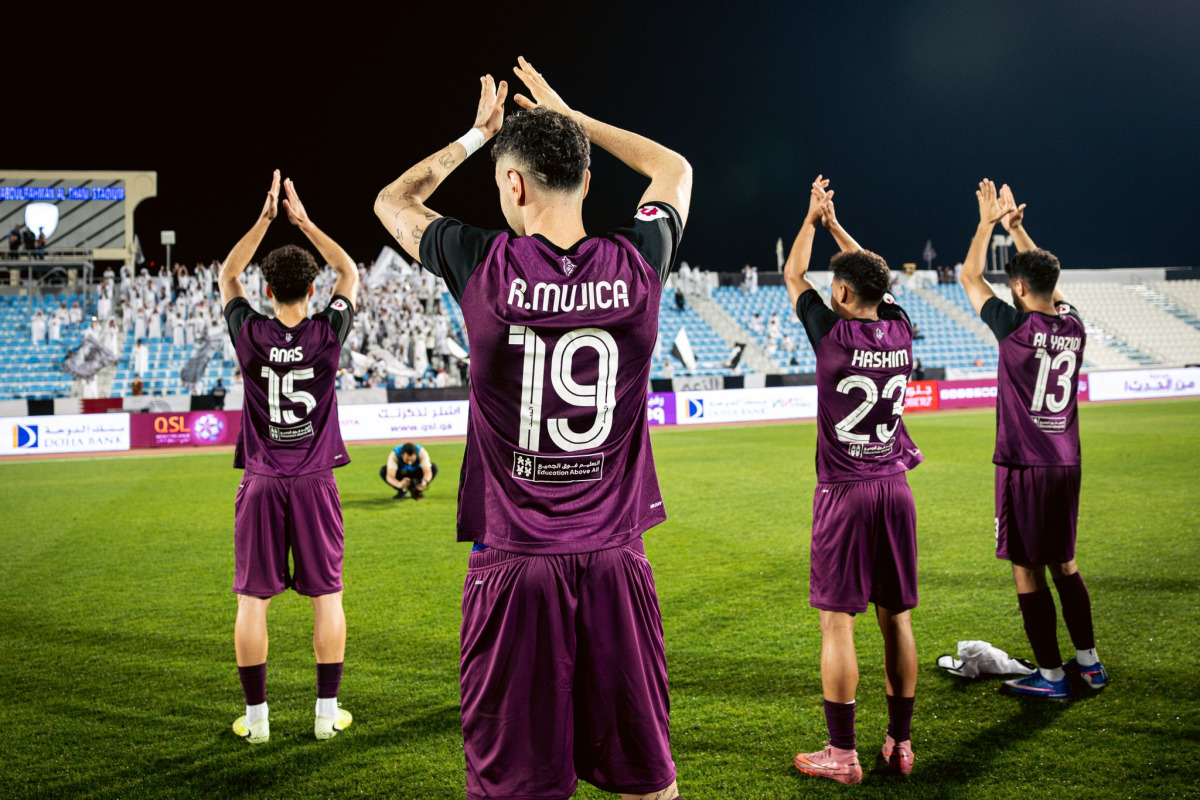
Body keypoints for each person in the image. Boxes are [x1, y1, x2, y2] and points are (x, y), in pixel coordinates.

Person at [375, 58, 691, 800]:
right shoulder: (639, 260)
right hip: (616, 560)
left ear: (512, 185)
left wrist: (474, 136)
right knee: (649, 782)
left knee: (513, 787)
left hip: (515, 566)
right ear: (584, 181)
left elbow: (393, 201)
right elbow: (672, 167)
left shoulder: (480, 263)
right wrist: (574, 121)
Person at [784, 177, 923, 784]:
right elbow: (876, 278)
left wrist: (814, 220)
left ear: (840, 292)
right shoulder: (900, 328)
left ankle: (842, 755)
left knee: (837, 622)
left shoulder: (831, 334)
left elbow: (794, 277)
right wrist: (842, 230)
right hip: (895, 488)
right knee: (897, 619)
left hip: (844, 492)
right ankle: (899, 743)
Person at [219, 170, 360, 745]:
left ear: (269, 292)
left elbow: (228, 273)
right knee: (328, 595)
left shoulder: (250, 333)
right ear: (312, 290)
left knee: (253, 601)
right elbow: (349, 271)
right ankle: (326, 717)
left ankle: (258, 724)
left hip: (261, 480)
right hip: (315, 480)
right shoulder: (327, 334)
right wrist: (304, 221)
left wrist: (264, 220)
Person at [960, 180, 1105, 700]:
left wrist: (986, 225)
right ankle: (1088, 664)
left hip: (1024, 464)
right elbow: (1050, 286)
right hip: (1067, 461)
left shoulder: (1012, 327)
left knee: (1026, 569)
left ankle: (1048, 675)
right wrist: (1018, 231)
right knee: (1064, 562)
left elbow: (969, 276)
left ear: (1017, 289)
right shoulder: (1074, 326)